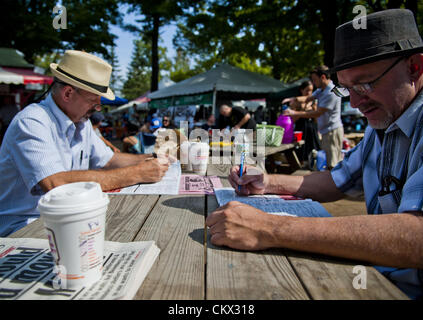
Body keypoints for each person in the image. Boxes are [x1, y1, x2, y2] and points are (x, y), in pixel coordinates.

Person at [206, 9, 423, 299]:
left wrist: (270, 228)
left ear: (415, 66)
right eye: (347, 89)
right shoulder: (385, 119)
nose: (356, 102)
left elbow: (416, 236)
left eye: (366, 84)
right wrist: (268, 182)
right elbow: (338, 180)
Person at [0, 50, 170, 237]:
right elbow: (56, 185)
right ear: (68, 93)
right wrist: (137, 173)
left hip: (63, 220)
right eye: (93, 100)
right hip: (22, 229)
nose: (98, 108)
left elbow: (109, 160)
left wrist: (154, 157)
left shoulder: (81, 121)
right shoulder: (32, 121)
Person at [283, 66, 343, 169]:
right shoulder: (322, 90)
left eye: (315, 80)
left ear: (323, 77)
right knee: (327, 161)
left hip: (332, 131)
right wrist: (293, 99)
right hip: (326, 131)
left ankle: (334, 185)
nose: (314, 83)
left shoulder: (331, 92)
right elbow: (308, 98)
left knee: (333, 164)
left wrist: (294, 113)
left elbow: (317, 113)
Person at [286, 81, 321, 162]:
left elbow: (316, 121)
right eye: (307, 90)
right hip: (301, 129)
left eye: (311, 90)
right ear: (302, 90)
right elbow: (292, 120)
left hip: (312, 130)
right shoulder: (296, 102)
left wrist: (315, 110)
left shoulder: (314, 102)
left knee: (314, 151)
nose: (309, 93)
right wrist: (302, 111)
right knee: (301, 152)